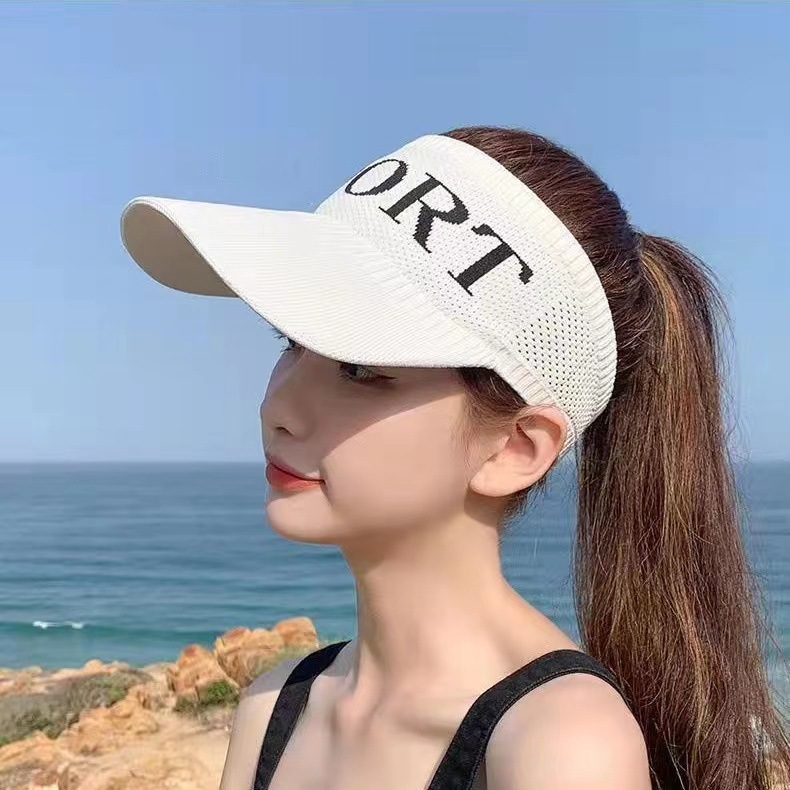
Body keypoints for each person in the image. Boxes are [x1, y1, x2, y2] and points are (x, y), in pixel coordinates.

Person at [120, 126, 789, 790]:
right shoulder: (273, 707)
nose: (278, 406)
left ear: (514, 447)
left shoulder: (561, 746)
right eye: (289, 340)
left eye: (359, 368)